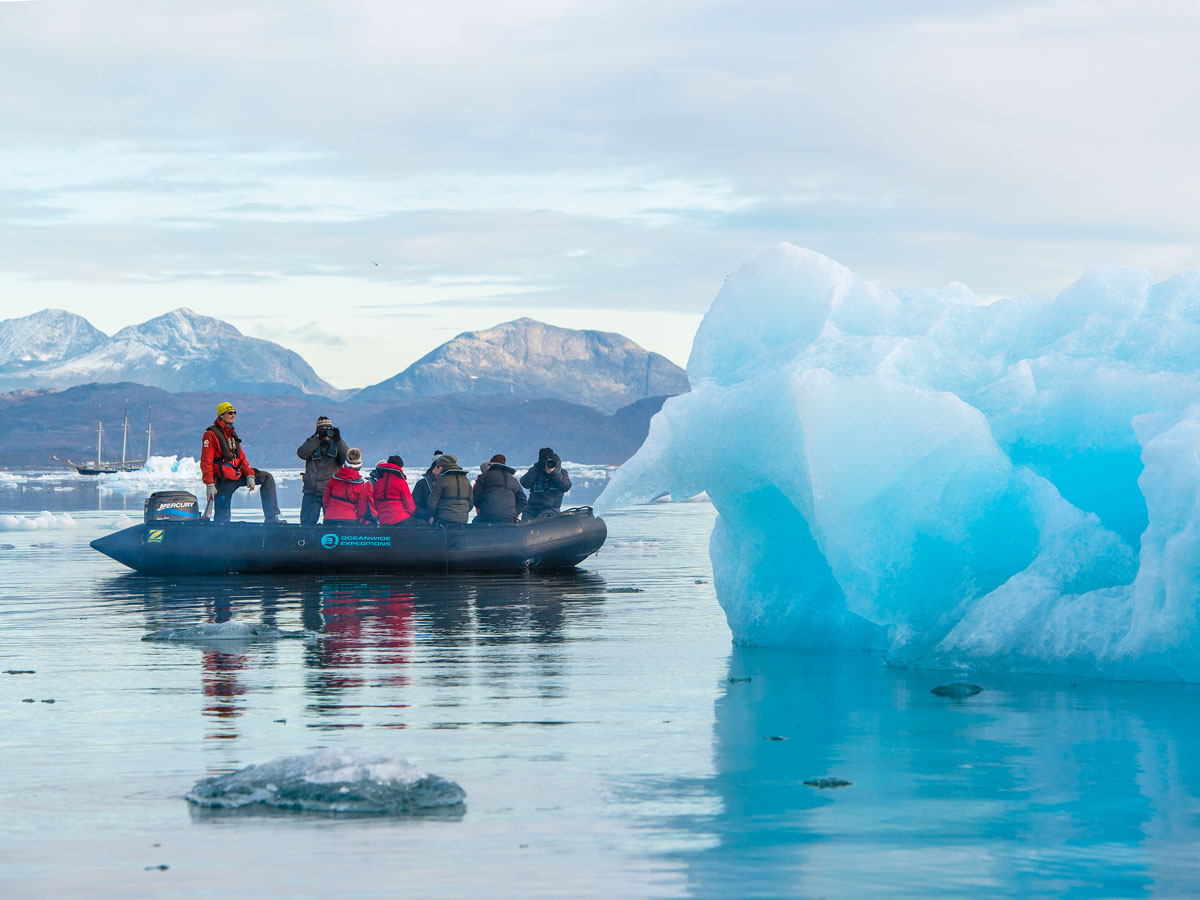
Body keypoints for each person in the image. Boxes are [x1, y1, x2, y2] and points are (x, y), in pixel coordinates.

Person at [201, 401, 285, 524]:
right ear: (221, 416)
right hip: (223, 481)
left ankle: (272, 518)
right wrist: (209, 484)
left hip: (237, 475)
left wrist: (250, 475)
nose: (233, 415)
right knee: (222, 518)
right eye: (230, 413)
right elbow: (206, 461)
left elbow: (241, 458)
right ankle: (221, 534)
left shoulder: (232, 435)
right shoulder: (210, 435)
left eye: (235, 413)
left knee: (267, 477)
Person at [296, 416, 349, 525]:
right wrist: (317, 438)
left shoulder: (338, 444)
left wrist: (338, 440)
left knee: (333, 526)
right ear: (317, 430)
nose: (326, 432)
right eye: (322, 429)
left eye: (328, 429)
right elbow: (301, 453)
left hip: (332, 493)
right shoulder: (312, 442)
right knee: (307, 525)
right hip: (311, 492)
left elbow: (348, 458)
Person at [322, 447, 377, 523]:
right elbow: (362, 509)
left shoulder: (334, 480)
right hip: (349, 519)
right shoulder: (361, 485)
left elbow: (325, 500)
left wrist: (330, 511)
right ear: (359, 466)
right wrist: (357, 518)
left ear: (345, 464)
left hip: (330, 517)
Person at [471, 453, 526, 524]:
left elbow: (474, 498)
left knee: (475, 522)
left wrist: (484, 508)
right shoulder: (513, 480)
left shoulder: (483, 477)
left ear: (490, 464)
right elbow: (523, 502)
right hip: (508, 518)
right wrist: (513, 513)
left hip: (486, 516)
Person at [520, 447, 572, 520]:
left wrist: (554, 473)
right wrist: (537, 468)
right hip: (532, 510)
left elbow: (566, 487)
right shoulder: (535, 471)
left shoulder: (561, 472)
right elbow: (524, 483)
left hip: (551, 510)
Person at [427, 454, 471, 525]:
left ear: (441, 467)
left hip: (445, 518)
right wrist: (463, 512)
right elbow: (471, 502)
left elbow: (432, 501)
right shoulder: (465, 479)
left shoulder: (441, 479)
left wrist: (432, 515)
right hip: (463, 518)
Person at [371, 455, 415, 525]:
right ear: (400, 468)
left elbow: (376, 505)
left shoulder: (377, 484)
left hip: (383, 520)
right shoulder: (401, 482)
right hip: (400, 519)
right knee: (422, 524)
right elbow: (410, 506)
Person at [410, 449, 444, 521]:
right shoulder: (422, 484)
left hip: (445, 520)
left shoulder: (448, 483)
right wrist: (427, 517)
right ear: (434, 468)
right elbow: (414, 505)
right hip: (426, 523)